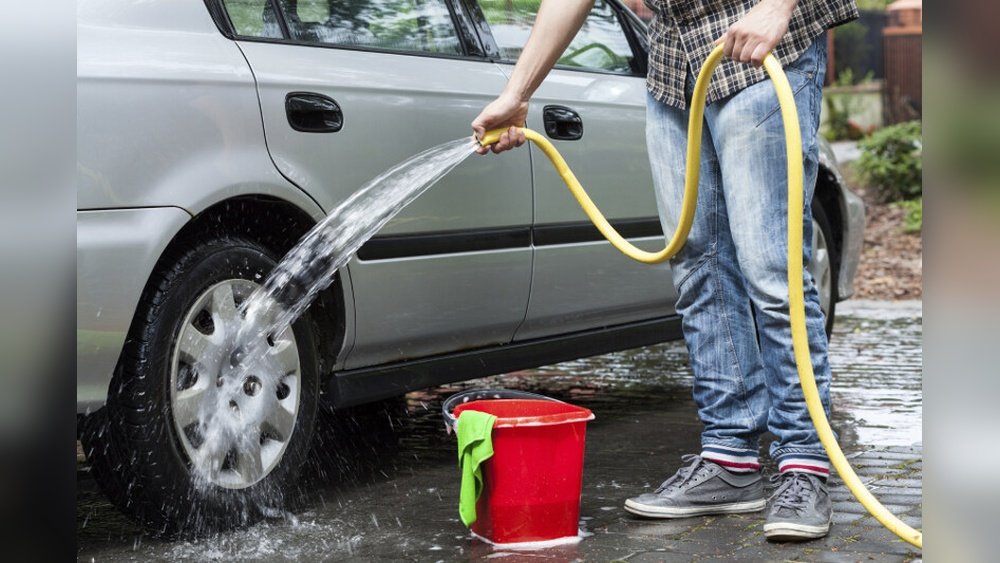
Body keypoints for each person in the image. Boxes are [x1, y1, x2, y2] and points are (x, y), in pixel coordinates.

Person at [471, 0, 859, 542]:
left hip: (763, 45)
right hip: (677, 66)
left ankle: (804, 464)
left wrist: (776, 7)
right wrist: (517, 93)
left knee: (771, 269)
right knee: (697, 265)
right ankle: (730, 459)